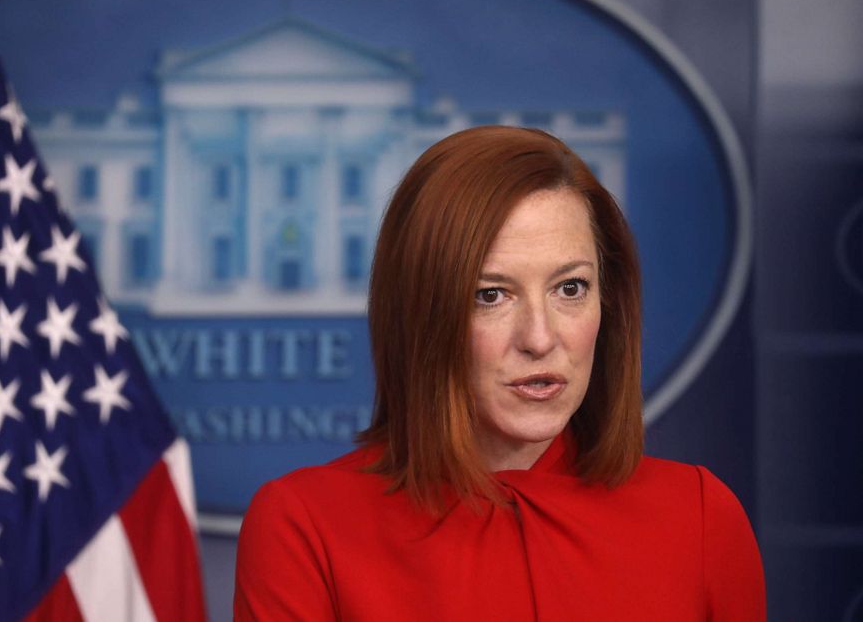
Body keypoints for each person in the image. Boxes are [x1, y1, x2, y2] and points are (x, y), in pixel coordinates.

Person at [233, 126, 766, 621]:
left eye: (570, 288)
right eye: (491, 295)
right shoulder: (304, 526)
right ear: (420, 313)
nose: (539, 337)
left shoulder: (698, 517)